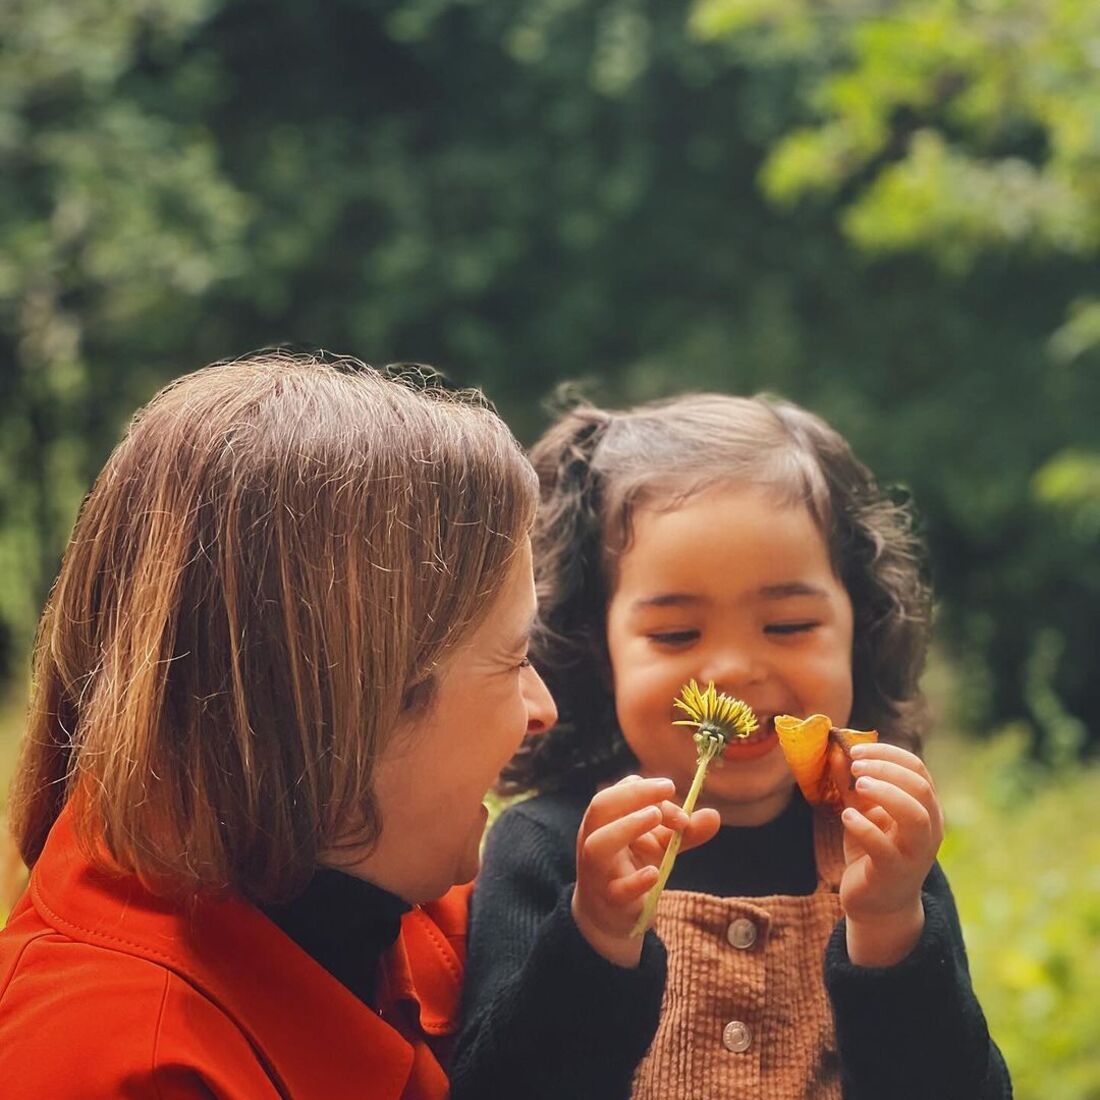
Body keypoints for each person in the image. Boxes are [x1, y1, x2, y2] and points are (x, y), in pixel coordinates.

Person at [0, 352, 705, 1098]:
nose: (543, 710)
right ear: (358, 701)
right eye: (513, 658)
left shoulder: (398, 894)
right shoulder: (113, 1065)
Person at [457, 393, 1014, 1099]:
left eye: (788, 625)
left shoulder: (881, 861)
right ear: (599, 650)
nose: (733, 671)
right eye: (676, 635)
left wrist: (888, 928)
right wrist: (595, 934)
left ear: (860, 627)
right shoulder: (550, 849)